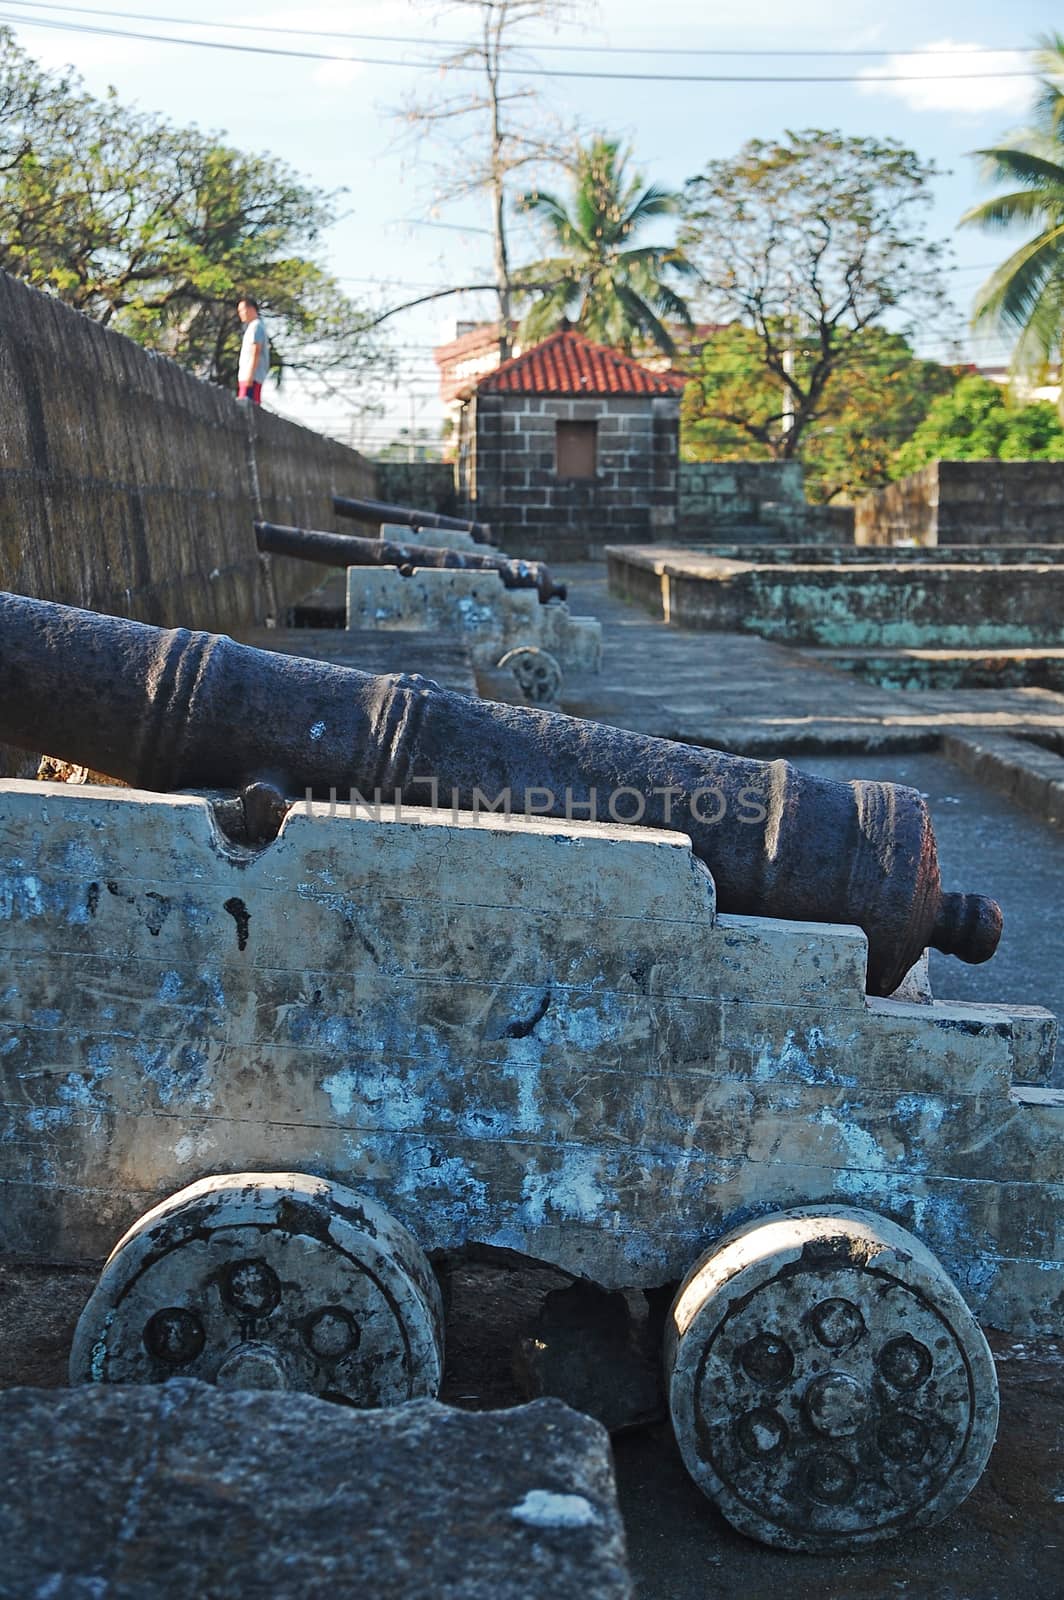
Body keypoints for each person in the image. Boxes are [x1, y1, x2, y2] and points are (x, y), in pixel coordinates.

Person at [236, 296, 269, 403]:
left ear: (251, 309)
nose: (240, 313)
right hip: (247, 377)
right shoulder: (252, 327)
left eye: (242, 310)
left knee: (249, 409)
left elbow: (256, 351)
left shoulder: (256, 326)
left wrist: (250, 375)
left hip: (251, 378)